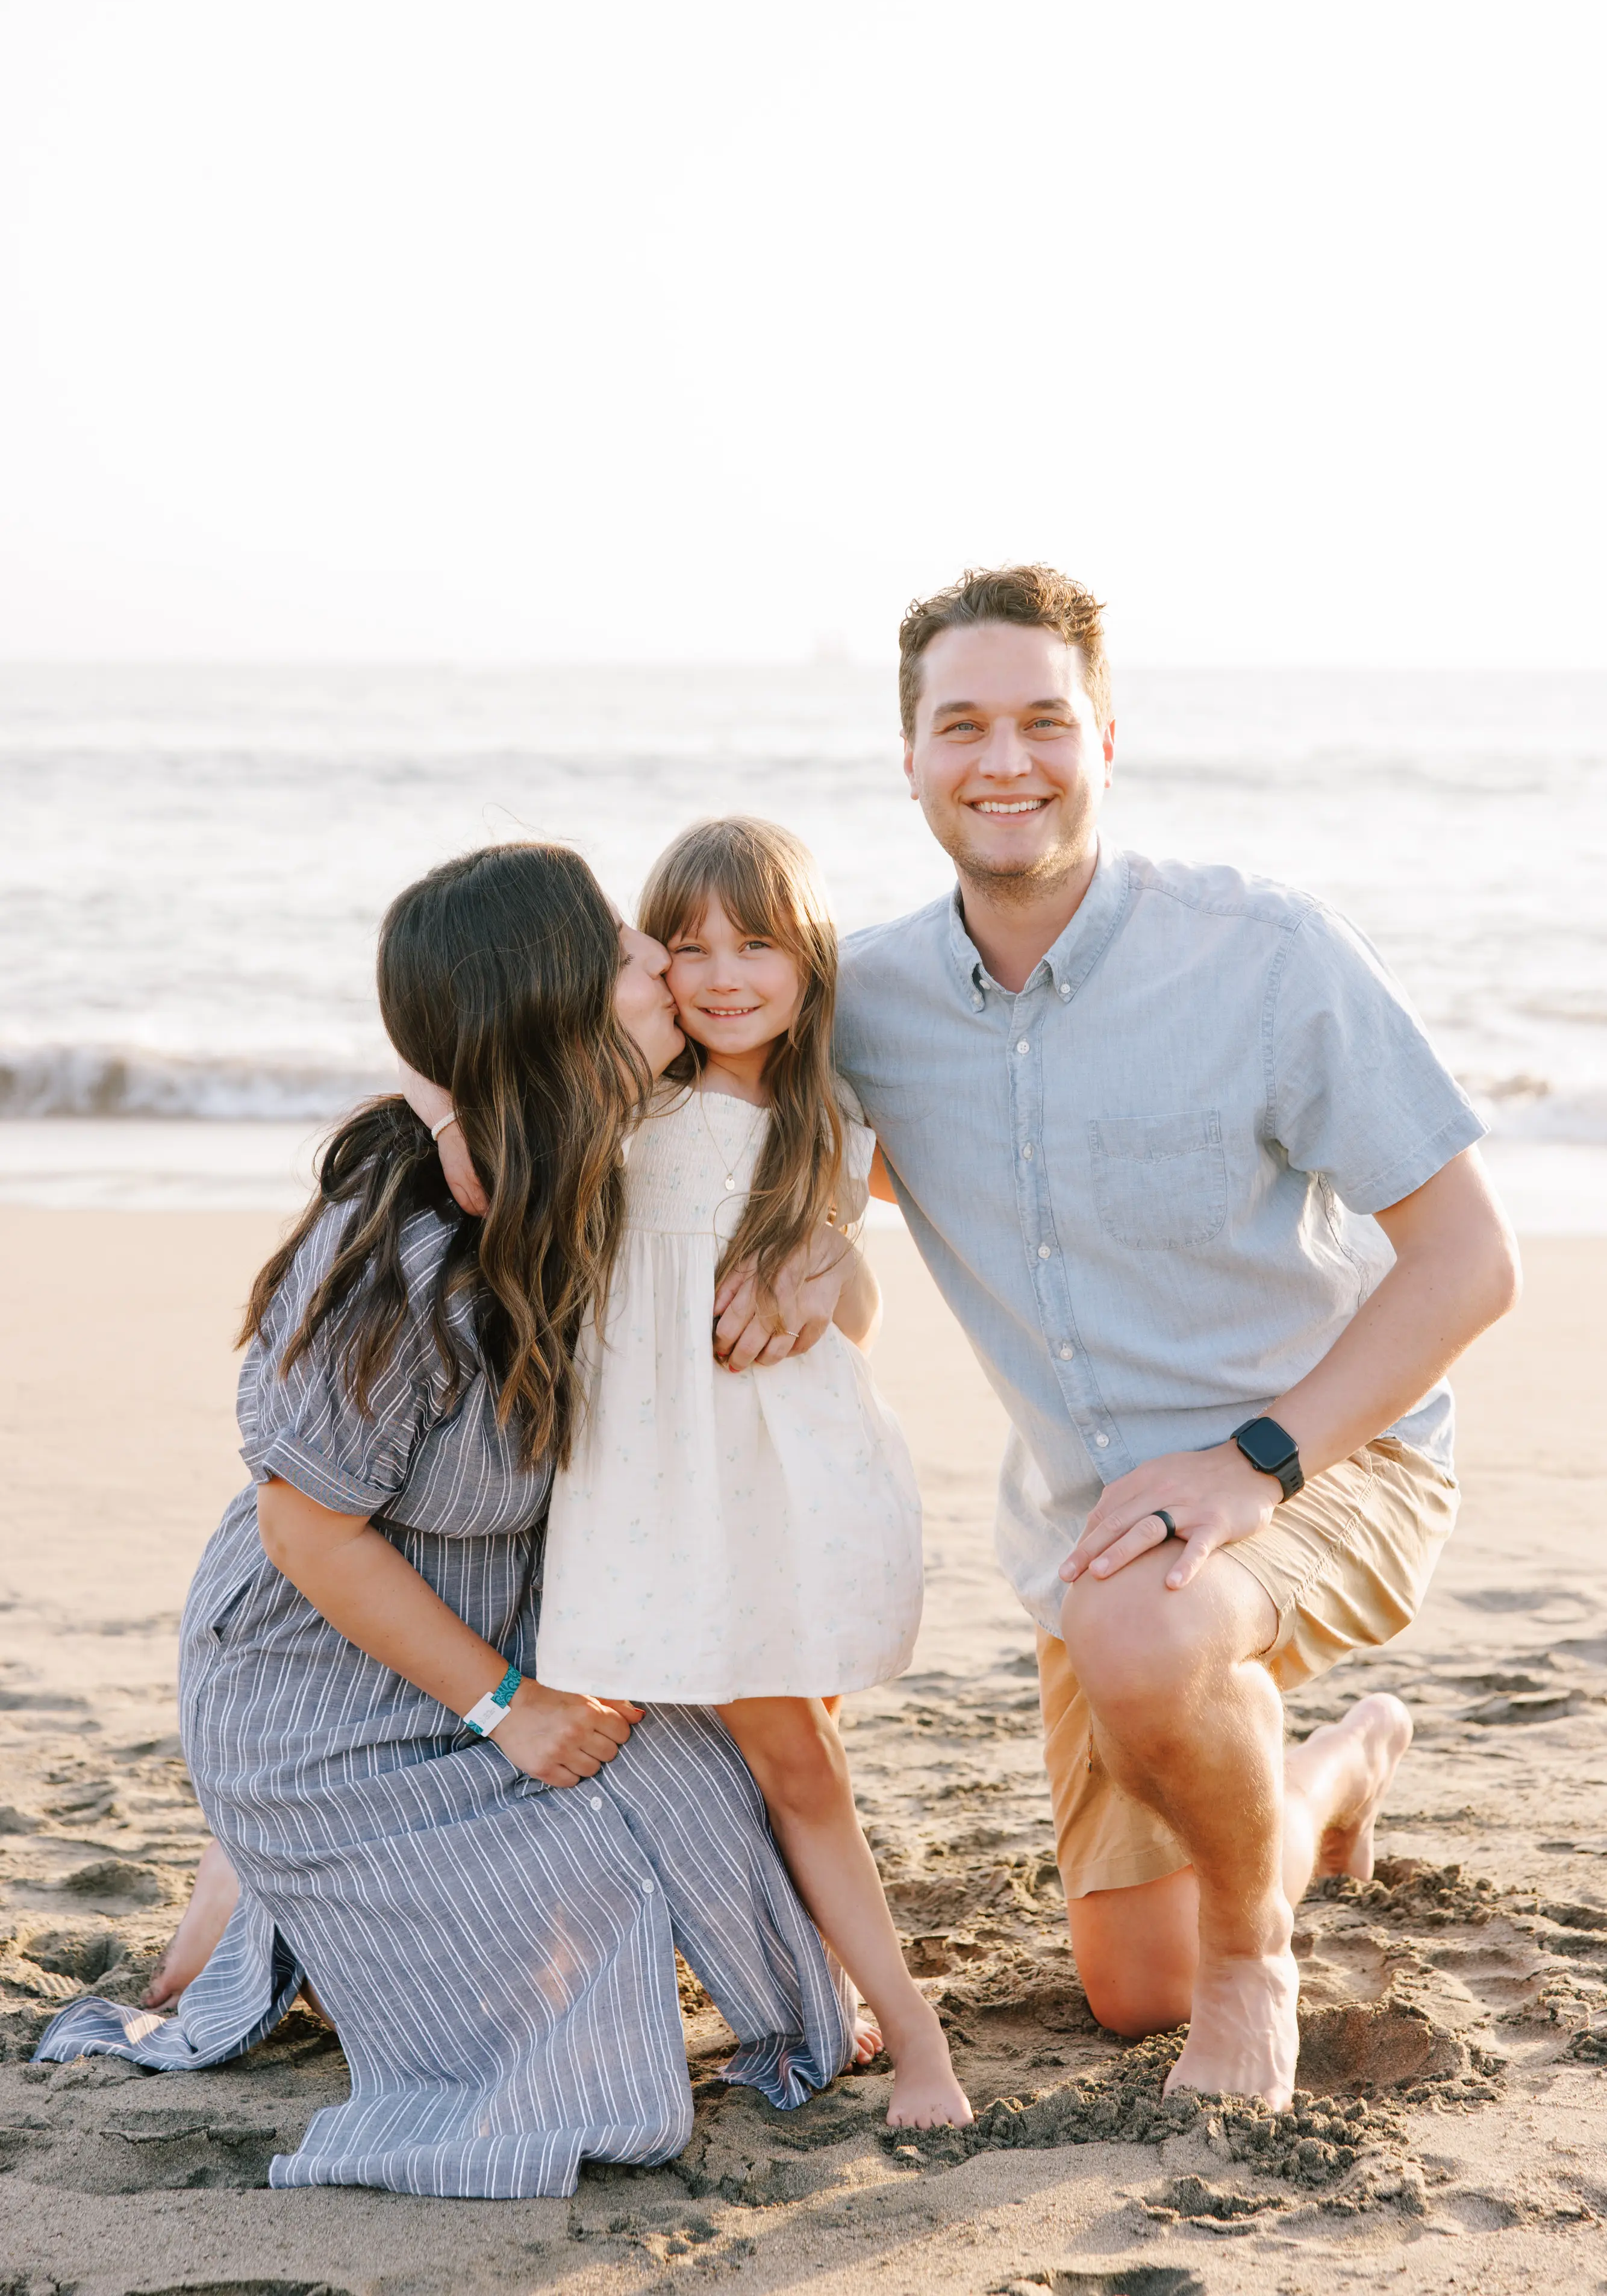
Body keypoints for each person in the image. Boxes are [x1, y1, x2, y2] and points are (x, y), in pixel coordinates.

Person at [725, 564, 1521, 2110]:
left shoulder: (1265, 956)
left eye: (1042, 720)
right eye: (961, 725)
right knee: (1123, 1988)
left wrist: (1252, 1460)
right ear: (908, 757)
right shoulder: (866, 1004)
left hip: (1326, 1450)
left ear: (1105, 737)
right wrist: (807, 1253)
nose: (1001, 759)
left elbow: (1470, 1264)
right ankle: (1333, 1769)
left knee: (1154, 1634)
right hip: (1096, 1531)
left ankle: (1255, 1963)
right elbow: (744, 1123)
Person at [36, 843, 854, 2197]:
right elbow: (308, 1534)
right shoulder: (401, 1262)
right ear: (555, 1011)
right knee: (586, 1976)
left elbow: (826, 1113)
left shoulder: (610, 1144)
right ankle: (264, 1876)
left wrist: (818, 1236)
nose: (662, 961)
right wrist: (508, 1710)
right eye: (626, 950)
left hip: (520, 1626)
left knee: (734, 1836)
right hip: (330, 1691)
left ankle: (255, 1896)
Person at [536, 816, 966, 2130]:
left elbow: (861, 1324)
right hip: (645, 1490)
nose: (722, 973)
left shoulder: (829, 1117)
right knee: (669, 1748)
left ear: (809, 956)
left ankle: (914, 2039)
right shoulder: (623, 1100)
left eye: (757, 941)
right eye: (687, 944)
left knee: (800, 1759)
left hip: (783, 1486)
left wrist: (834, 1255)